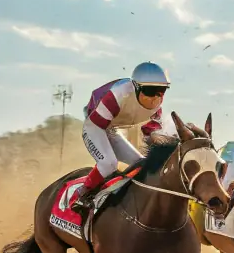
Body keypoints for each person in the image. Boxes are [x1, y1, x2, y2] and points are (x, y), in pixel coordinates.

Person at [73, 62, 174, 212]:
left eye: (161, 91)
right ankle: (81, 195)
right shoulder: (118, 94)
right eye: (150, 91)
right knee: (108, 163)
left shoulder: (157, 108)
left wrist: (159, 140)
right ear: (136, 87)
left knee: (141, 165)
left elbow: (149, 135)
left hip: (112, 128)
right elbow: (98, 124)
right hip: (95, 125)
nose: (155, 97)